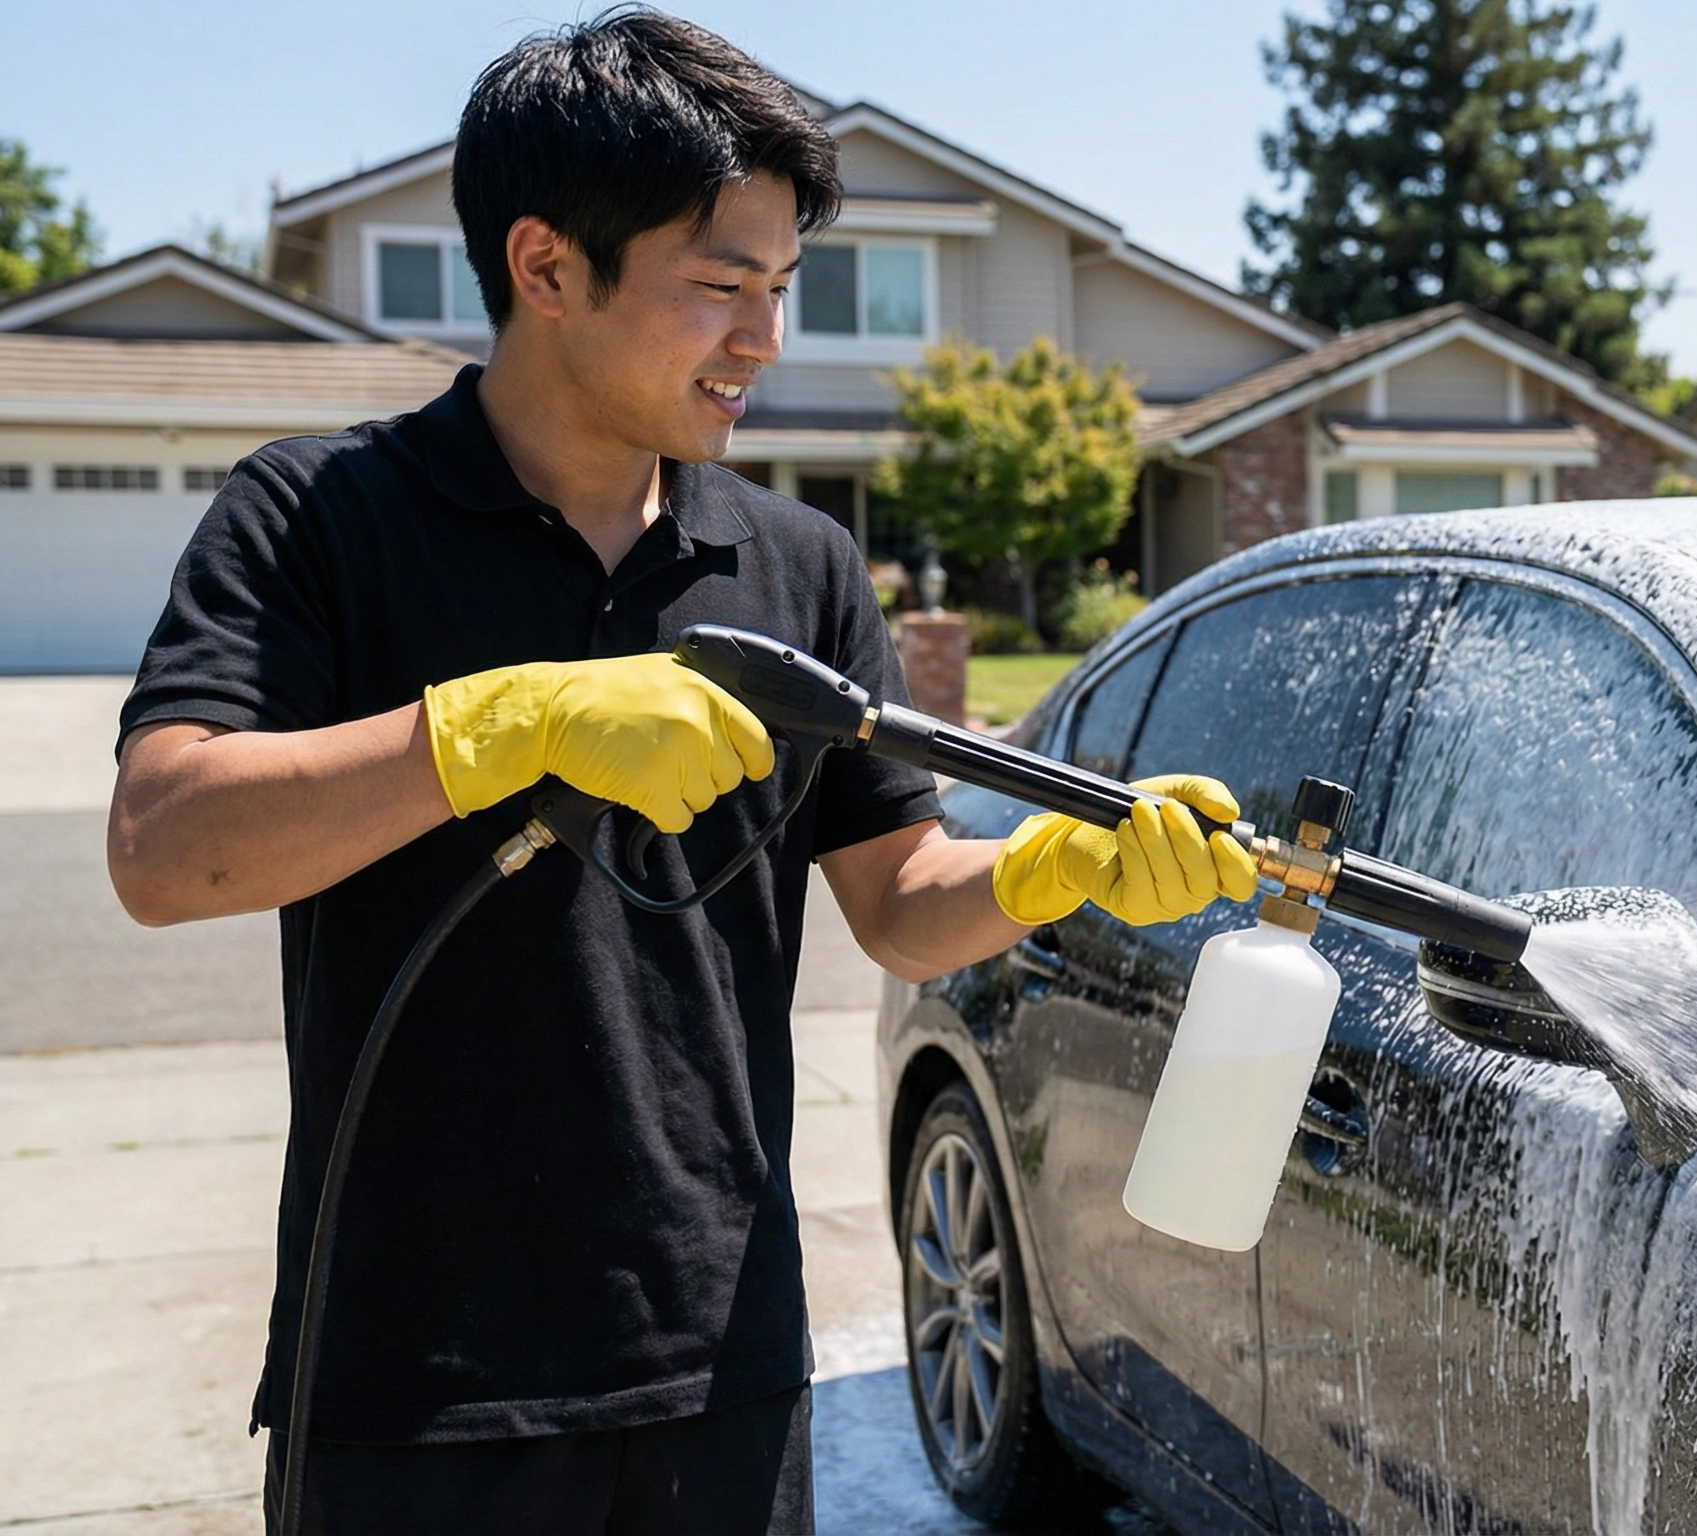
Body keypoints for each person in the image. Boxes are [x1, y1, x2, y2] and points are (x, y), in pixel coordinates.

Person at [103, 11, 1253, 1532]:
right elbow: (165, 848)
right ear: (544, 267)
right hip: (411, 1374)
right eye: (720, 287)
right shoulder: (320, 517)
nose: (764, 339)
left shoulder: (796, 564)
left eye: (781, 289)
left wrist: (1063, 868)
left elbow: (900, 901)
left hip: (718, 1355)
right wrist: (499, 724)